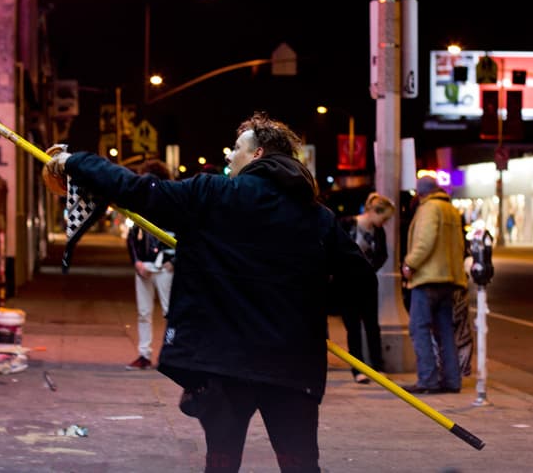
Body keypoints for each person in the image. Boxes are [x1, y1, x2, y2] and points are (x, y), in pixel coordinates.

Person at [45, 112, 375, 473]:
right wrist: (311, 311)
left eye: (236, 148)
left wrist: (75, 162)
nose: (229, 156)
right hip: (291, 364)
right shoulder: (318, 218)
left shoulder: (211, 195)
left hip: (223, 365)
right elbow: (361, 282)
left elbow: (139, 190)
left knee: (221, 463)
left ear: (258, 154)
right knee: (299, 465)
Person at [401, 176, 468, 394]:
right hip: (448, 279)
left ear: (421, 193)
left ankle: (427, 379)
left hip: (428, 278)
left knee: (418, 328)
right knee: (445, 331)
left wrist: (410, 263)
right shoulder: (451, 209)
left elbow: (425, 241)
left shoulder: (429, 209)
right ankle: (452, 380)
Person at [337, 192, 396, 383]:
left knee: (372, 326)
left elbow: (382, 255)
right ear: (374, 212)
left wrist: (370, 269)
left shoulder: (378, 232)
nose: (384, 223)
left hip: (367, 283)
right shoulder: (347, 224)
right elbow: (335, 248)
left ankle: (377, 367)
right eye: (384, 218)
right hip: (346, 283)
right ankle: (358, 369)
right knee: (352, 327)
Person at [125, 159, 175, 370]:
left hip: (164, 265)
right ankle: (145, 354)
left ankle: (170, 356)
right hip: (145, 265)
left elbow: (186, 234)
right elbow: (131, 237)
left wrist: (173, 260)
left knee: (169, 312)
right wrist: (136, 262)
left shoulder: (173, 204)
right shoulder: (140, 205)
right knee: (145, 313)